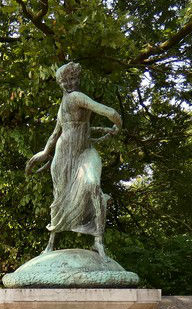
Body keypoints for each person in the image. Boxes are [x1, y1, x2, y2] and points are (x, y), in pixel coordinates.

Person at [25, 62, 122, 258]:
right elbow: (56, 133)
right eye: (64, 81)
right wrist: (44, 153)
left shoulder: (78, 96)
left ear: (78, 79)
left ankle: (98, 240)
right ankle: (51, 243)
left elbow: (109, 112)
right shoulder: (63, 104)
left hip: (84, 153)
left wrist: (117, 124)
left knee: (93, 185)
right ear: (60, 83)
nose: (69, 83)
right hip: (63, 156)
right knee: (59, 198)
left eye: (73, 79)